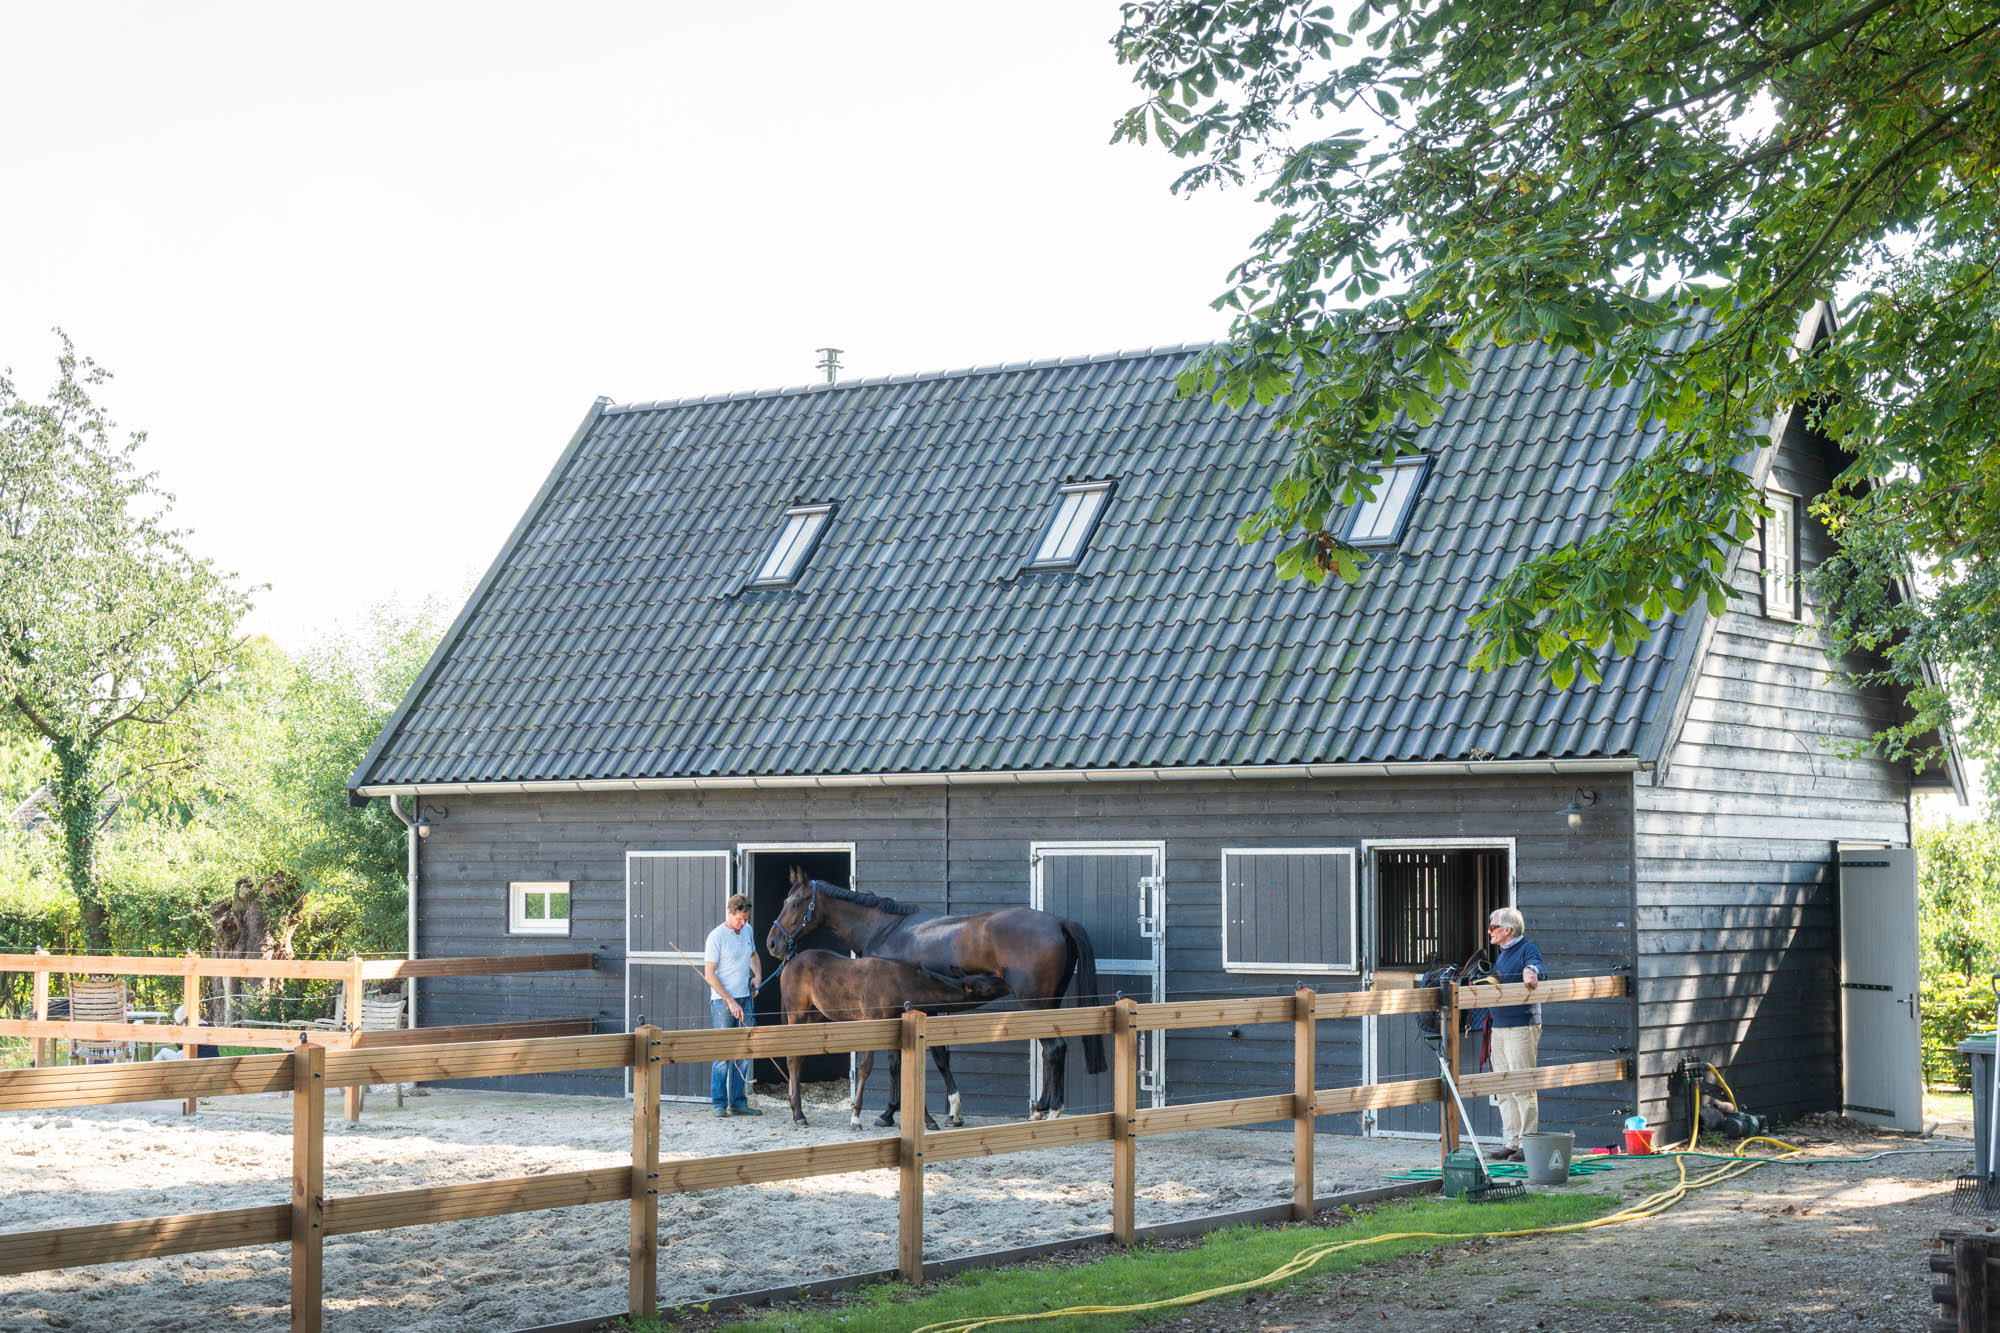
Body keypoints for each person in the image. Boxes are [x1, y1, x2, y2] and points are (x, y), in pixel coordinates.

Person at [1485, 906, 1545, 1161]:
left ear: (1507, 930)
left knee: (1522, 1085)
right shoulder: (1502, 954)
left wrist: (1531, 973)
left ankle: (1527, 1142)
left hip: (1521, 1025)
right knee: (1504, 1086)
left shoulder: (1527, 948)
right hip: (1499, 1025)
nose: (1489, 932)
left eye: (1492, 927)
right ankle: (1512, 1141)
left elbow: (1537, 967)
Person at [703, 893, 763, 1117]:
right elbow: (709, 973)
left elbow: (753, 954)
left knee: (745, 1051)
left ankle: (738, 1101)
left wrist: (757, 975)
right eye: (739, 919)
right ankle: (719, 1103)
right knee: (723, 1053)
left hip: (745, 997)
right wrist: (729, 1000)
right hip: (722, 1001)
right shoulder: (716, 937)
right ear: (729, 913)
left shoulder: (747, 930)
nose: (743, 923)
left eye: (746, 919)